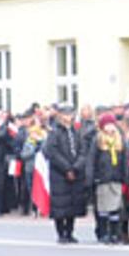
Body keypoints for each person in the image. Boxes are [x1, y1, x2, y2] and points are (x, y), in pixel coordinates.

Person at [42, 103, 90, 244]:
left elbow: (83, 151)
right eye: (65, 114)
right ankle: (61, 232)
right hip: (60, 174)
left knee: (72, 205)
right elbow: (52, 152)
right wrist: (67, 168)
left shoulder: (77, 132)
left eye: (70, 114)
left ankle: (70, 232)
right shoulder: (54, 132)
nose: (68, 117)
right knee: (60, 205)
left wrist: (76, 167)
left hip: (76, 172)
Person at [88, 113, 128, 245]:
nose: (110, 128)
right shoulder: (98, 140)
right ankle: (103, 232)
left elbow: (124, 160)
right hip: (103, 179)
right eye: (107, 125)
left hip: (116, 179)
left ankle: (115, 233)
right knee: (103, 208)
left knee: (115, 208)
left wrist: (126, 177)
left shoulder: (120, 140)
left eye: (112, 125)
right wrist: (91, 177)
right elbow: (92, 160)